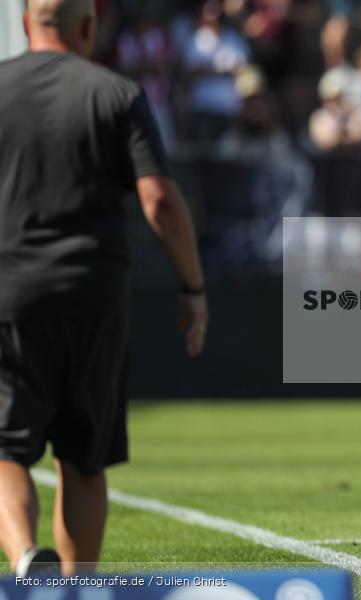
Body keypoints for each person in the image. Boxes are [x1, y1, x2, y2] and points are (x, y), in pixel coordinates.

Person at [0, 0, 208, 576]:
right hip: (95, 293)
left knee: (5, 448)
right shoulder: (117, 93)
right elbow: (159, 200)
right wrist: (193, 286)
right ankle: (78, 588)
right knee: (84, 458)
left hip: (9, 291)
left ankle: (25, 556)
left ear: (27, 23)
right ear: (89, 27)